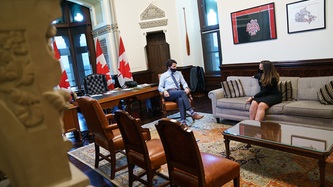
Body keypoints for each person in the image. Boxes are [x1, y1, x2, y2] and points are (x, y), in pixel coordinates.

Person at [158, 59, 203, 126]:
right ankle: (192, 112)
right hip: (169, 93)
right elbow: (160, 87)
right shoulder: (164, 75)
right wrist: (164, 91)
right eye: (174, 67)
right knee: (182, 93)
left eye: (176, 66)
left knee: (181, 100)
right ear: (169, 67)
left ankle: (183, 122)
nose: (175, 68)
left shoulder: (178, 73)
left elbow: (184, 83)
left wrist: (186, 88)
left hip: (178, 92)